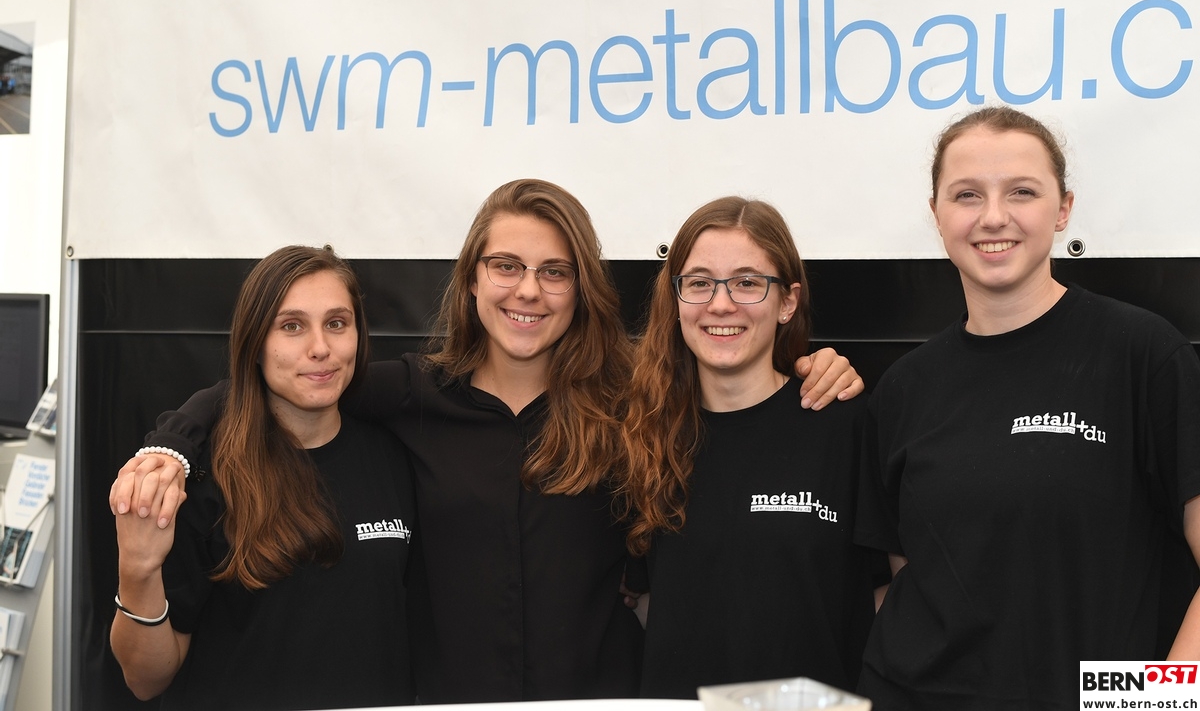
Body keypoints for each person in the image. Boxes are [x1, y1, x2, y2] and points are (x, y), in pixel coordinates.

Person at [112, 180, 865, 703]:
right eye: (506, 266)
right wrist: (172, 444)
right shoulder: (410, 396)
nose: (527, 290)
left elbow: (740, 391)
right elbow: (274, 378)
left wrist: (810, 366)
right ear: (471, 280)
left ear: (581, 288)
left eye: (554, 271)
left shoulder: (630, 402)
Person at [855, 107, 1200, 710]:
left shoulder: (1141, 354)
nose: (993, 216)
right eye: (967, 194)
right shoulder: (904, 388)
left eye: (1021, 191)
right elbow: (905, 578)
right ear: (936, 214)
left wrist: (1158, 704)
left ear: (1063, 209)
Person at [109, 245, 416, 710]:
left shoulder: (395, 458)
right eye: (292, 326)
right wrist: (137, 569)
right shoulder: (200, 477)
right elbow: (145, 680)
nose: (320, 347)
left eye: (337, 323)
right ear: (255, 344)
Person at [618, 197, 884, 698]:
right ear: (676, 299)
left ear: (787, 302)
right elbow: (642, 601)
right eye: (699, 283)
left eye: (746, 282)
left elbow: (886, 595)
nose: (721, 304)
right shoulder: (642, 434)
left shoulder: (844, 423)